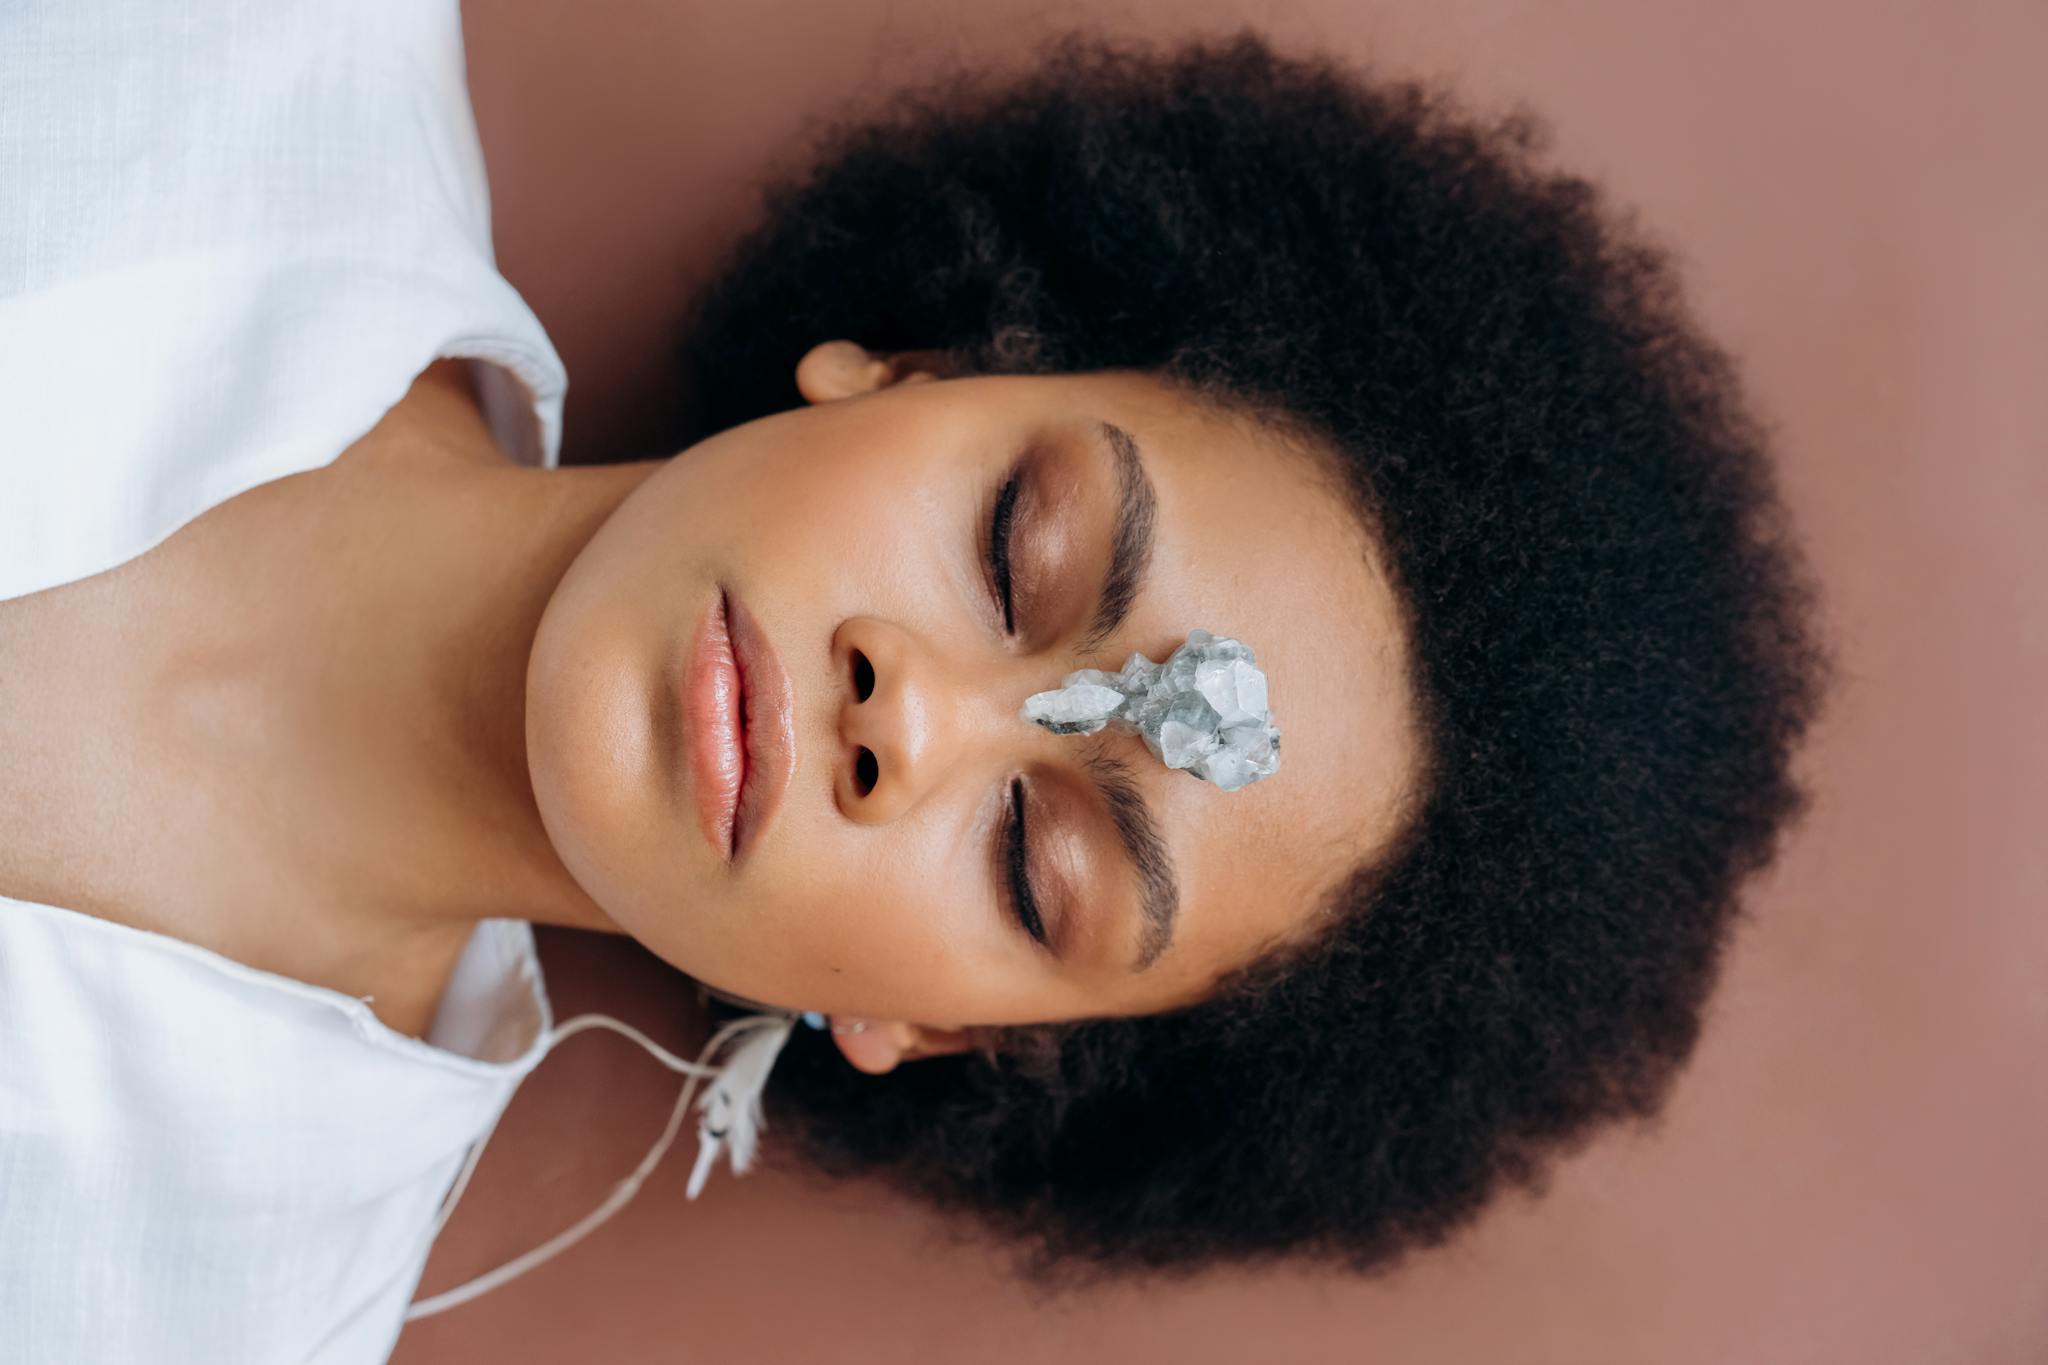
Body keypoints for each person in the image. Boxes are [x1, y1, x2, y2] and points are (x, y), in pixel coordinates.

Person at [0, 5, 1831, 1361]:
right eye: (1018, 552)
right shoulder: (213, 39)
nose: (917, 717)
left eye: (1039, 863)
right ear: (914, 361)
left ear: (932, 1032)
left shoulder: (196, 1313)